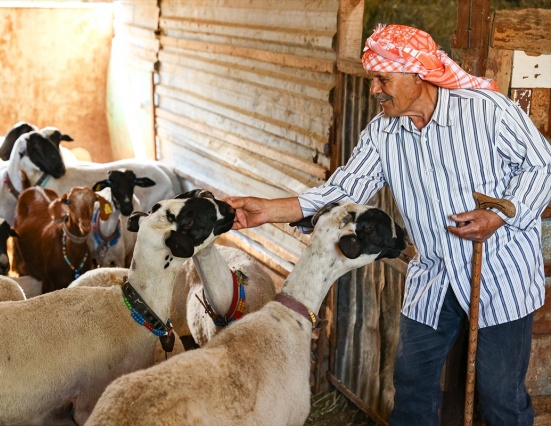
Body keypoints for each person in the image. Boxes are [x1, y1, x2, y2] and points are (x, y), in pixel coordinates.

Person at [224, 24, 551, 426]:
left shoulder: (488, 112)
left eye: (383, 78)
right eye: (372, 78)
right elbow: (343, 190)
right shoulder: (384, 132)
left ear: (418, 74)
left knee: (500, 397)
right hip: (434, 273)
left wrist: (498, 215)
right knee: (412, 387)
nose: (374, 89)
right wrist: (267, 210)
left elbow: (543, 165)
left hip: (499, 272)